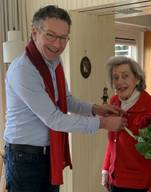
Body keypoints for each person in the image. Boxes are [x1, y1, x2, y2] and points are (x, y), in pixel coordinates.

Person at [3, 5, 127, 192]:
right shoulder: (24, 70)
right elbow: (54, 119)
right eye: (51, 35)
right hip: (24, 159)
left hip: (48, 154)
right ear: (34, 32)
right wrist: (102, 123)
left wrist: (95, 109)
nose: (58, 44)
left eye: (63, 37)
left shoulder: (54, 62)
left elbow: (66, 100)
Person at [101, 56, 151, 192]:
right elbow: (112, 141)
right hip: (115, 179)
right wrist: (106, 168)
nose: (119, 82)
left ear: (137, 79)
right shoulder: (114, 102)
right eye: (115, 77)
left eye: (125, 76)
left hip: (139, 184)